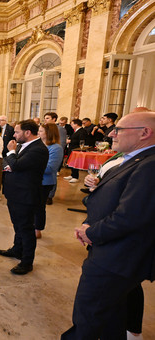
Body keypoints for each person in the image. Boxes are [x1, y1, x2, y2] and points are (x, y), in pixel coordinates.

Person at [62, 112, 155, 339]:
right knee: (111, 316)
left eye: (119, 129)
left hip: (118, 256)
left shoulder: (149, 165)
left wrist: (91, 231)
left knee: (88, 317)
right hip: (112, 250)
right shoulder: (135, 158)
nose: (112, 133)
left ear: (145, 133)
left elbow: (130, 217)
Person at [0, 119, 49, 275]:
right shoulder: (23, 145)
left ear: (27, 132)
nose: (14, 134)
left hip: (26, 194)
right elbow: (8, 163)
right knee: (17, 224)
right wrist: (11, 161)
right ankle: (17, 249)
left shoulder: (38, 149)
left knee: (26, 228)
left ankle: (27, 262)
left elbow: (16, 165)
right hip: (15, 192)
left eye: (17, 131)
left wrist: (12, 154)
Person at [34, 124, 63, 238]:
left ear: (48, 133)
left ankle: (37, 229)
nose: (38, 133)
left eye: (41, 131)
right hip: (34, 180)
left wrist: (31, 165)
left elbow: (50, 168)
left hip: (45, 181)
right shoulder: (39, 145)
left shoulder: (56, 148)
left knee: (39, 206)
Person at [63, 119, 88, 183]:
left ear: (76, 124)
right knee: (71, 162)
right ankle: (72, 174)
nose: (71, 125)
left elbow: (82, 141)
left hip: (76, 149)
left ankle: (75, 177)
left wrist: (70, 141)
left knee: (75, 163)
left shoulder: (82, 131)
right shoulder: (76, 131)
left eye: (72, 124)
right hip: (72, 148)